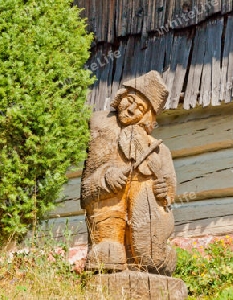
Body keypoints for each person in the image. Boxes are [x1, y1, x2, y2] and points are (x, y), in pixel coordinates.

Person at [81, 71, 177, 275]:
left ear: (147, 116)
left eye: (140, 108)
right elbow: (86, 190)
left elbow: (169, 195)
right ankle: (109, 243)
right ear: (121, 96)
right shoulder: (102, 129)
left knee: (152, 259)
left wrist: (164, 192)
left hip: (143, 226)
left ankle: (150, 253)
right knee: (110, 254)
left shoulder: (159, 151)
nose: (132, 110)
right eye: (130, 100)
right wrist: (106, 179)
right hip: (108, 219)